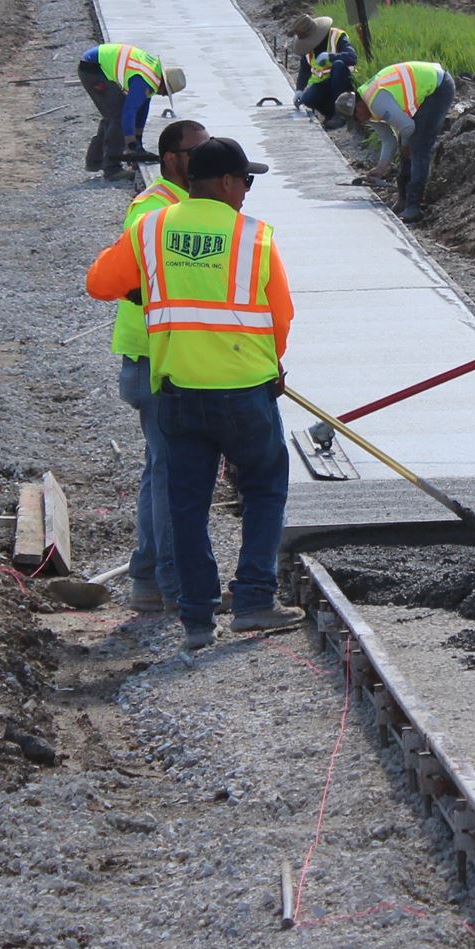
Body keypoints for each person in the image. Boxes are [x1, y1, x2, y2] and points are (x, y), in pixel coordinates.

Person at [86, 137, 305, 650]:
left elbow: (99, 283)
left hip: (178, 393)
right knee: (265, 489)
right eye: (245, 182)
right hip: (245, 391)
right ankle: (252, 602)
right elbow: (281, 317)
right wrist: (273, 364)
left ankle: (197, 619)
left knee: (186, 504)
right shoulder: (255, 238)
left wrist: (148, 286)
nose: (247, 193)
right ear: (226, 183)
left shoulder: (152, 229)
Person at [111, 118, 209, 615]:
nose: (206, 157)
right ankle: (172, 586)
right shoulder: (152, 209)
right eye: (198, 150)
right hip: (154, 362)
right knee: (172, 473)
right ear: (171, 159)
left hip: (163, 358)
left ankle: (148, 577)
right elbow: (132, 277)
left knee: (162, 469)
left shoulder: (187, 208)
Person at [337, 60, 456, 223]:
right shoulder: (367, 107)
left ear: (357, 108)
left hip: (438, 87)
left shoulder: (375, 101)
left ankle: (413, 206)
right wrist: (381, 168)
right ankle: (403, 199)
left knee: (418, 147)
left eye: (355, 119)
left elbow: (407, 127)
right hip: (426, 88)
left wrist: (406, 146)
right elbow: (388, 140)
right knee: (407, 145)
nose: (359, 122)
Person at [77, 43, 186, 181]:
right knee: (117, 117)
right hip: (92, 69)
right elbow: (129, 111)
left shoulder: (153, 74)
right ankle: (112, 169)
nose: (164, 95)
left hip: (95, 62)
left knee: (112, 115)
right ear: (164, 84)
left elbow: (142, 108)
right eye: (166, 92)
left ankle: (95, 161)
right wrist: (130, 143)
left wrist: (138, 142)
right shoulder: (144, 80)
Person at [291, 15, 357, 127]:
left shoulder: (336, 36)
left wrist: (330, 57)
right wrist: (299, 90)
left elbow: (352, 57)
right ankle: (330, 114)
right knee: (308, 98)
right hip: (324, 85)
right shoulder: (308, 48)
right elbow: (304, 70)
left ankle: (340, 114)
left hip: (342, 83)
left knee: (338, 66)